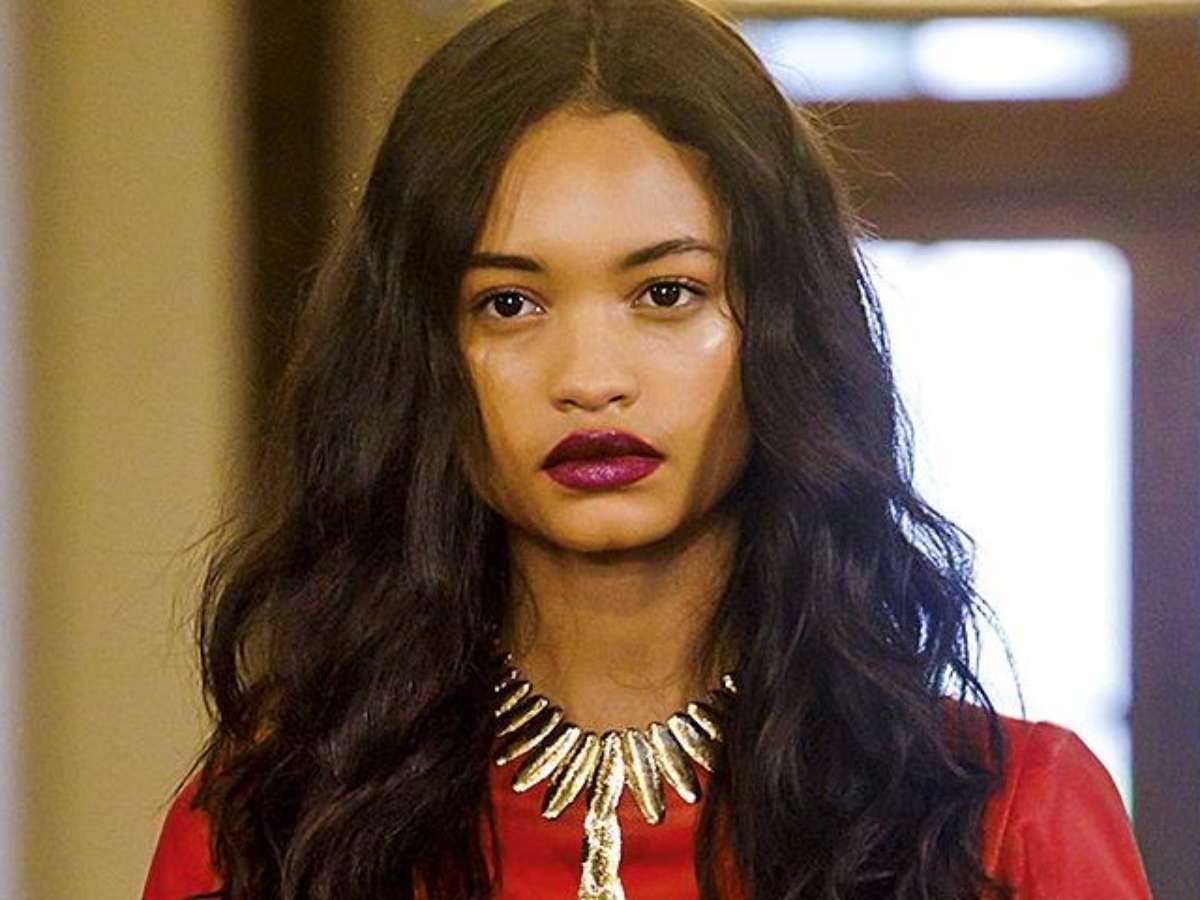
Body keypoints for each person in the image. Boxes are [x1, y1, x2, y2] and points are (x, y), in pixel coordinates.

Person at [142, 1, 1153, 898]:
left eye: (667, 293)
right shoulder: (271, 829)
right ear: (421, 357)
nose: (591, 377)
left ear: (784, 331)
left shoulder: (1005, 821)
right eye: (509, 303)